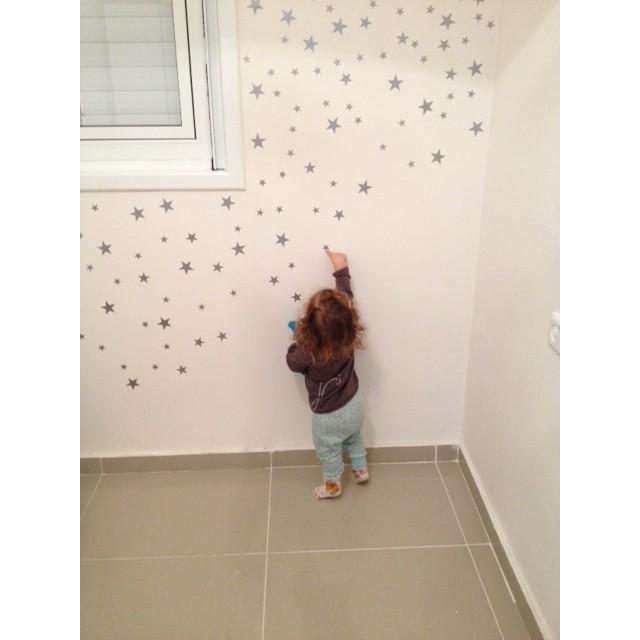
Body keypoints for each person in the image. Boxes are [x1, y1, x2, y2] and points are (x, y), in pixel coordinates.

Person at [286, 249, 368, 499]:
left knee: (329, 452)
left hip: (328, 416)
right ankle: (360, 469)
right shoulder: (348, 334)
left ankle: (332, 487)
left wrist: (296, 341)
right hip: (354, 403)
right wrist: (340, 268)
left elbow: (292, 363)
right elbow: (345, 297)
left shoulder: (308, 351)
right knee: (354, 437)